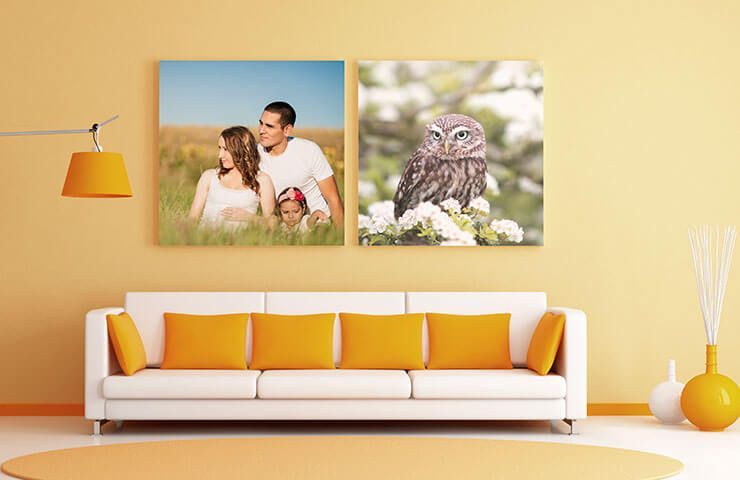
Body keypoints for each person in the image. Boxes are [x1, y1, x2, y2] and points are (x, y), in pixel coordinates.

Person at [257, 101, 344, 229]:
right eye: (261, 123)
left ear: (287, 130)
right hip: (282, 229)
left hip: (317, 226)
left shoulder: (309, 150)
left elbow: (333, 199)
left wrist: (341, 238)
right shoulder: (254, 153)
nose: (261, 130)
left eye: (269, 126)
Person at [189, 126, 275, 230]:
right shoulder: (209, 177)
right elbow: (192, 220)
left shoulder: (262, 180)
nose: (220, 155)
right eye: (219, 148)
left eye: (226, 149)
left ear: (243, 149)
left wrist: (250, 218)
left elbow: (272, 223)